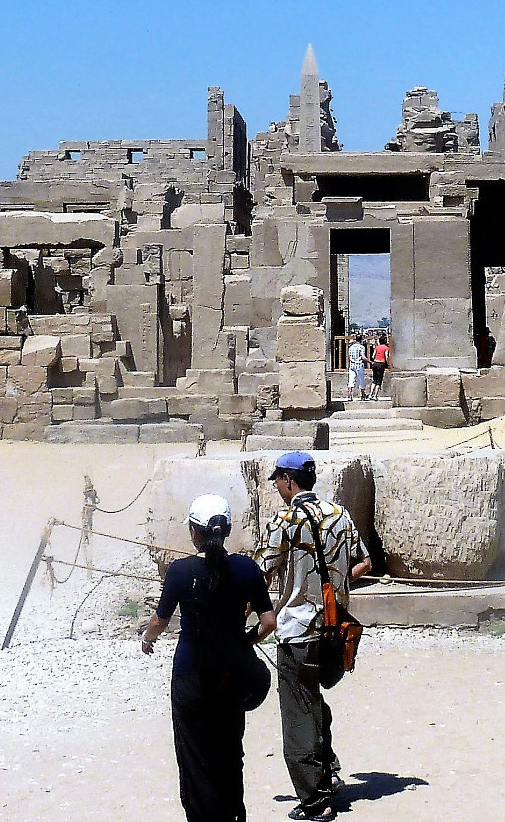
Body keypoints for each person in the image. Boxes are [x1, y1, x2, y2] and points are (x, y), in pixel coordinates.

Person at [142, 495, 276, 822]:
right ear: (227, 529)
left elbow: (160, 621)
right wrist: (245, 642)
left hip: (192, 674)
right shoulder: (246, 569)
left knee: (194, 757)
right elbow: (269, 622)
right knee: (230, 752)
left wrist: (148, 638)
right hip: (232, 674)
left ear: (194, 531)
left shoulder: (180, 571)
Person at [258, 452, 370, 822]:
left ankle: (314, 800)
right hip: (334, 628)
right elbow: (364, 563)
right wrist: (335, 584)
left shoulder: (283, 521)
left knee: (298, 713)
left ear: (290, 481)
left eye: (277, 479)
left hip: (297, 631)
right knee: (314, 698)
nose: (275, 485)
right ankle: (329, 769)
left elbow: (263, 577)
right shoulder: (340, 515)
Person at [345, 335, 368, 400]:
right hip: (359, 364)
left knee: (351, 380)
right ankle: (363, 395)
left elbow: (349, 357)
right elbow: (363, 357)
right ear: (361, 339)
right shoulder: (361, 347)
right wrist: (369, 361)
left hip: (352, 364)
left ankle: (349, 395)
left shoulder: (350, 347)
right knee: (361, 380)